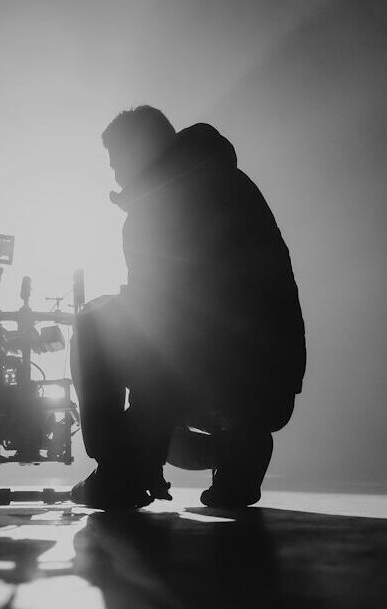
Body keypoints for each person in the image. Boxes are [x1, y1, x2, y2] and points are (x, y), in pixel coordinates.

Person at [71, 106, 306, 509]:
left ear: (138, 151)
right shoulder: (230, 183)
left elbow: (163, 322)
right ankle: (238, 451)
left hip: (209, 373)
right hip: (268, 388)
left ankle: (118, 471)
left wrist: (143, 444)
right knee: (136, 330)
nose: (115, 176)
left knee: (94, 321)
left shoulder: (160, 206)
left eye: (116, 163)